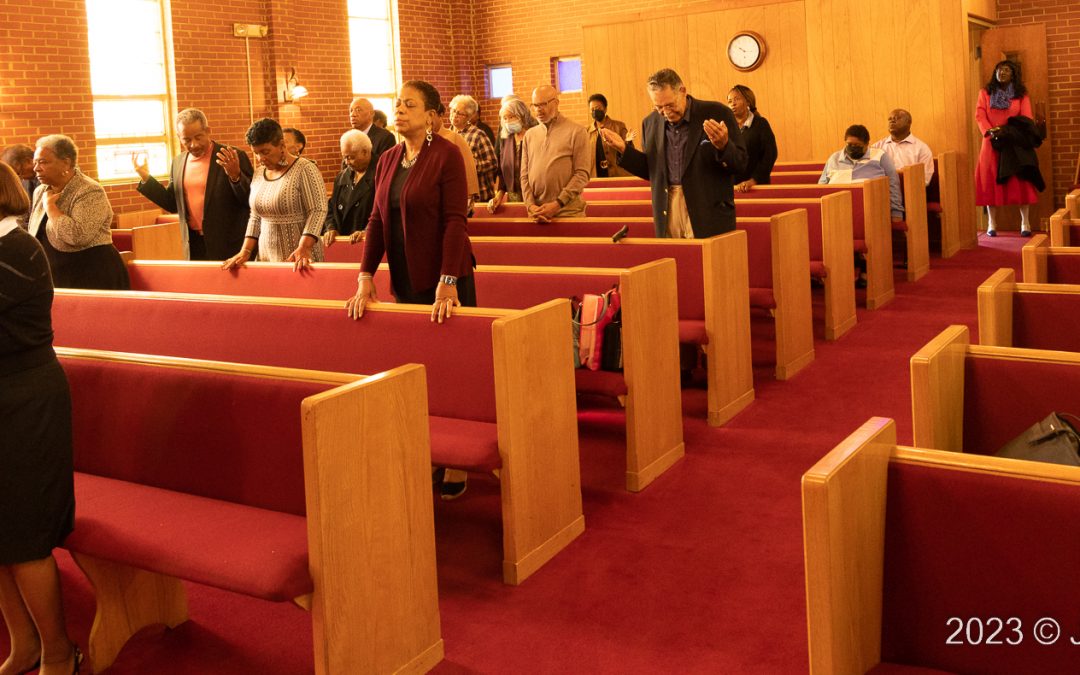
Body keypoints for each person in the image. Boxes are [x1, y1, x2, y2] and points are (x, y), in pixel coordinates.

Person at [345, 81, 476, 500]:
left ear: (431, 116)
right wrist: (365, 275)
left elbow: (455, 221)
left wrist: (448, 280)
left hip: (445, 278)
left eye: (410, 105)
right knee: (419, 365)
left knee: (451, 367)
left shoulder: (446, 155)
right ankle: (431, 447)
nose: (399, 110)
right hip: (406, 277)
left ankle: (458, 458)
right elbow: (376, 221)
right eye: (398, 104)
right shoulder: (387, 158)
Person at [0, 162, 83, 675]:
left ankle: (58, 650)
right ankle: (25, 642)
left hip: (25, 401)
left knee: (24, 534)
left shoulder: (19, 250)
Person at [601, 68, 747, 238]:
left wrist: (724, 147)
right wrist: (624, 149)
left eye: (670, 105)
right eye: (659, 107)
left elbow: (741, 164)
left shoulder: (717, 112)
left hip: (708, 208)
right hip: (668, 206)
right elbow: (653, 171)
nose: (666, 112)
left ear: (682, 91)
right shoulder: (650, 123)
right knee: (675, 254)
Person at [134, 108, 254, 260]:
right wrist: (146, 178)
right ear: (179, 138)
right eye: (187, 140)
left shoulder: (231, 156)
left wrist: (236, 176)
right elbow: (172, 204)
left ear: (208, 131)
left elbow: (251, 201)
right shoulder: (178, 162)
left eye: (198, 137)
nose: (194, 145)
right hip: (194, 244)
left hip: (229, 245)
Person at [222, 118, 328, 271]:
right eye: (256, 153)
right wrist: (245, 251)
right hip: (266, 257)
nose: (261, 159)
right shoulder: (259, 173)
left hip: (299, 257)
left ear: (282, 145)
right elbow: (255, 216)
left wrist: (304, 247)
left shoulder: (305, 169)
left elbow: (318, 210)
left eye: (265, 152)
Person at [28, 135, 129, 290]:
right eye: (35, 162)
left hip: (92, 273)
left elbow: (78, 236)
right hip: (57, 276)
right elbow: (33, 231)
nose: (36, 168)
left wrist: (51, 209)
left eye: (43, 162)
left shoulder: (89, 190)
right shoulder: (40, 191)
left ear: (66, 163)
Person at [975, 60, 1040, 237]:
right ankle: (991, 223)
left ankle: (1025, 222)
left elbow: (1026, 118)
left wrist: (1008, 131)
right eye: (999, 69)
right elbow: (980, 115)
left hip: (1013, 140)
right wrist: (990, 131)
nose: (1002, 72)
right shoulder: (985, 93)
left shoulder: (1020, 95)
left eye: (1006, 70)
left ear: (1013, 75)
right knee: (990, 179)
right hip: (991, 141)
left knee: (1021, 180)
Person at [521, 85, 591, 221]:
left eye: (543, 104)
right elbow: (524, 176)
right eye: (535, 105)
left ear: (556, 103)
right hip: (537, 214)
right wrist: (530, 205)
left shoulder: (577, 131)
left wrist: (557, 204)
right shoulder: (529, 135)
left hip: (568, 213)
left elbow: (582, 174)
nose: (538, 110)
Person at [819, 124, 904, 223]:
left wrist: (896, 212)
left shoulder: (880, 156)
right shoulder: (834, 158)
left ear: (867, 144)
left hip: (871, 211)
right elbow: (821, 186)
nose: (853, 148)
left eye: (857, 145)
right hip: (836, 210)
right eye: (849, 144)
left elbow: (893, 184)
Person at [322, 130, 375, 249]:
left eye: (350, 158)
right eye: (344, 158)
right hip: (343, 243)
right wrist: (331, 227)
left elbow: (384, 212)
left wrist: (368, 231)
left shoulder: (382, 173)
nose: (347, 162)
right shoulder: (342, 176)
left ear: (365, 152)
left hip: (367, 243)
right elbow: (331, 207)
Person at [488, 97, 538, 213]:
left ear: (522, 115)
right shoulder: (506, 138)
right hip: (514, 194)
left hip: (535, 193)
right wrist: (499, 195)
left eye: (511, 117)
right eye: (505, 118)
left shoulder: (535, 135)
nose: (508, 121)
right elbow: (504, 171)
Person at [728, 85, 778, 192]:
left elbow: (769, 156)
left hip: (756, 188)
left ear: (748, 102)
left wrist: (753, 181)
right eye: (729, 101)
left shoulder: (761, 124)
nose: (733, 104)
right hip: (733, 189)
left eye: (736, 99)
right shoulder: (727, 127)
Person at [449, 94, 498, 201]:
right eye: (453, 110)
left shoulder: (478, 135)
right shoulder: (447, 135)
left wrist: (471, 165)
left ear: (469, 117)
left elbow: (493, 163)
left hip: (479, 197)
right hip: (455, 196)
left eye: (460, 113)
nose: (454, 115)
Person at [433, 103, 480, 208]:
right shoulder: (421, 140)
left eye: (432, 114)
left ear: (440, 115)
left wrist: (469, 197)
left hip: (451, 198)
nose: (428, 120)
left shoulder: (453, 138)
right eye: (454, 111)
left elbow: (468, 169)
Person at [872, 109, 934, 186]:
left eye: (896, 118)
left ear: (908, 122)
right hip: (881, 190)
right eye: (890, 119)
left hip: (911, 190)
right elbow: (869, 174)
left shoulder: (921, 148)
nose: (892, 121)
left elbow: (925, 180)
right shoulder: (876, 147)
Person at [586, 93, 631, 178]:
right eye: (592, 109)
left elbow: (628, 152)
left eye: (598, 108)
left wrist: (628, 142)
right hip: (596, 177)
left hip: (617, 175)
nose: (595, 111)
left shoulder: (619, 126)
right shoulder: (587, 131)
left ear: (605, 109)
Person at [349, 97, 396, 169]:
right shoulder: (350, 138)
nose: (353, 114)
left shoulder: (385, 137)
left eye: (358, 110)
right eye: (351, 110)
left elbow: (385, 168)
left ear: (371, 114)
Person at [0, 144, 37, 226]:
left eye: (18, 173)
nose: (20, 178)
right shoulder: (25, 181)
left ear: (28, 161)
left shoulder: (49, 179)